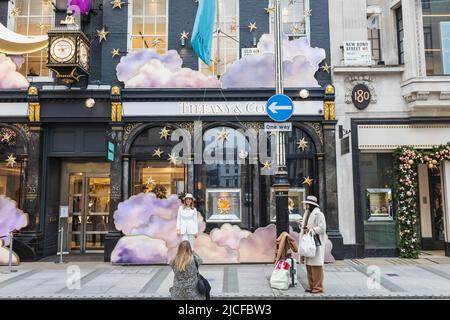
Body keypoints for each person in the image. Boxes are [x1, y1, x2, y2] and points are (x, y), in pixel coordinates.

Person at [297, 195, 327, 294]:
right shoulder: (307, 213)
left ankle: (318, 287)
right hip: (309, 242)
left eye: (306, 203)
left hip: (316, 242)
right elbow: (307, 226)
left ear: (310, 205)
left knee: (316, 266)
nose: (305, 205)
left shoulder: (319, 214)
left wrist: (311, 231)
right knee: (309, 265)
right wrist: (301, 225)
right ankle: (311, 286)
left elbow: (322, 228)